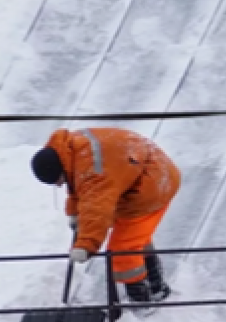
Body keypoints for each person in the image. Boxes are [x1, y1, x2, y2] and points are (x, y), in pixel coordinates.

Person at [31, 127, 179, 308]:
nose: (60, 185)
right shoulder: (71, 150)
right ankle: (156, 287)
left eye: (59, 180)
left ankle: (143, 301)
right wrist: (75, 214)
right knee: (135, 237)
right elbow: (78, 186)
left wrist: (86, 245)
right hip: (140, 169)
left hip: (152, 185)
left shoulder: (94, 171)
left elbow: (97, 208)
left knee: (122, 249)